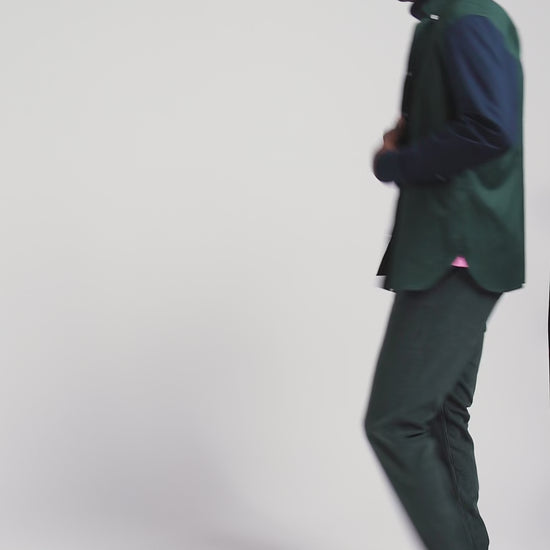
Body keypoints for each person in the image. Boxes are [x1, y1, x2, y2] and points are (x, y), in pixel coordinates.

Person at [363, 1, 524, 549]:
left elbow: (489, 129)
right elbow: (476, 123)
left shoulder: (466, 20)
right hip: (456, 247)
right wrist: (413, 137)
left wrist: (394, 161)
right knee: (439, 417)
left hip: (455, 251)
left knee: (395, 422)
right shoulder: (455, 20)